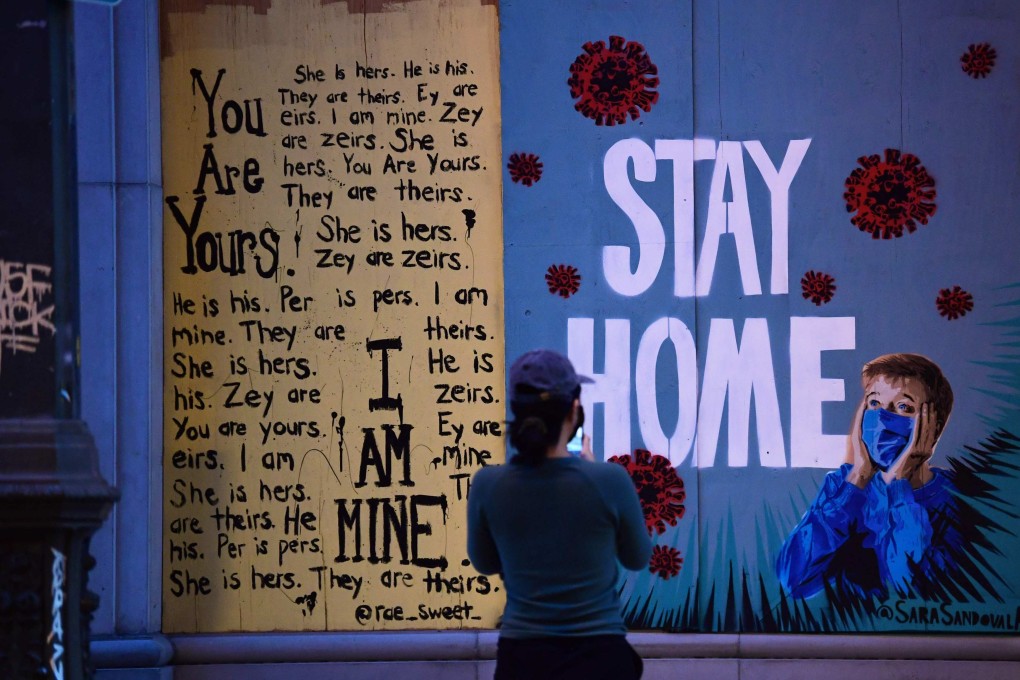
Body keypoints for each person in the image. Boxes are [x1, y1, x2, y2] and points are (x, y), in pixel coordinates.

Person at [467, 349, 652, 680]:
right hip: (600, 659)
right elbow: (637, 557)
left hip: (522, 660)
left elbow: (486, 563)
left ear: (516, 411)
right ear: (574, 410)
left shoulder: (487, 484)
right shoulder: (609, 480)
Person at [776, 353, 963, 600]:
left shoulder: (956, 496)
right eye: (874, 404)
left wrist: (899, 486)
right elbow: (793, 579)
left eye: (904, 407)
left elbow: (912, 592)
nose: (882, 419)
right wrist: (859, 476)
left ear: (933, 427)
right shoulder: (842, 486)